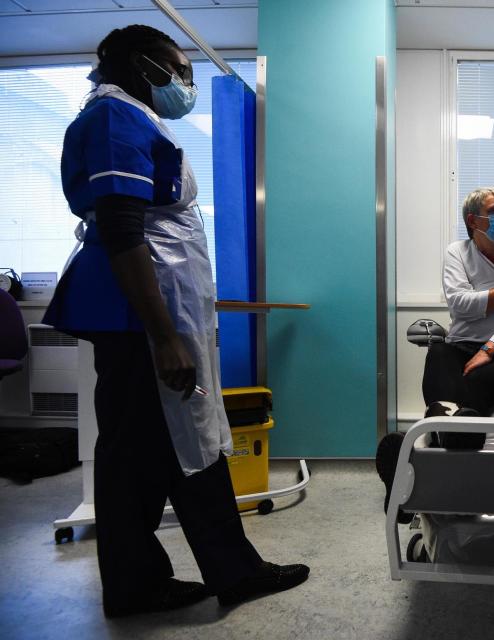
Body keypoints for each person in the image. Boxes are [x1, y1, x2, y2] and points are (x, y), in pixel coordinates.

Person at [43, 25, 308, 617]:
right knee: (180, 441)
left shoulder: (128, 117)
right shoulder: (116, 118)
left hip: (148, 315)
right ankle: (224, 575)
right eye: (179, 69)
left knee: (152, 450)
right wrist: (165, 337)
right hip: (145, 320)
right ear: (144, 66)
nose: (186, 83)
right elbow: (120, 227)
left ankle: (148, 584)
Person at [375, 187, 494, 517]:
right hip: (461, 345)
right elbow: (461, 305)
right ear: (473, 220)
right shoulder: (458, 252)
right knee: (437, 355)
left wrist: (491, 348)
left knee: (476, 381)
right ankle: (454, 444)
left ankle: (418, 464)